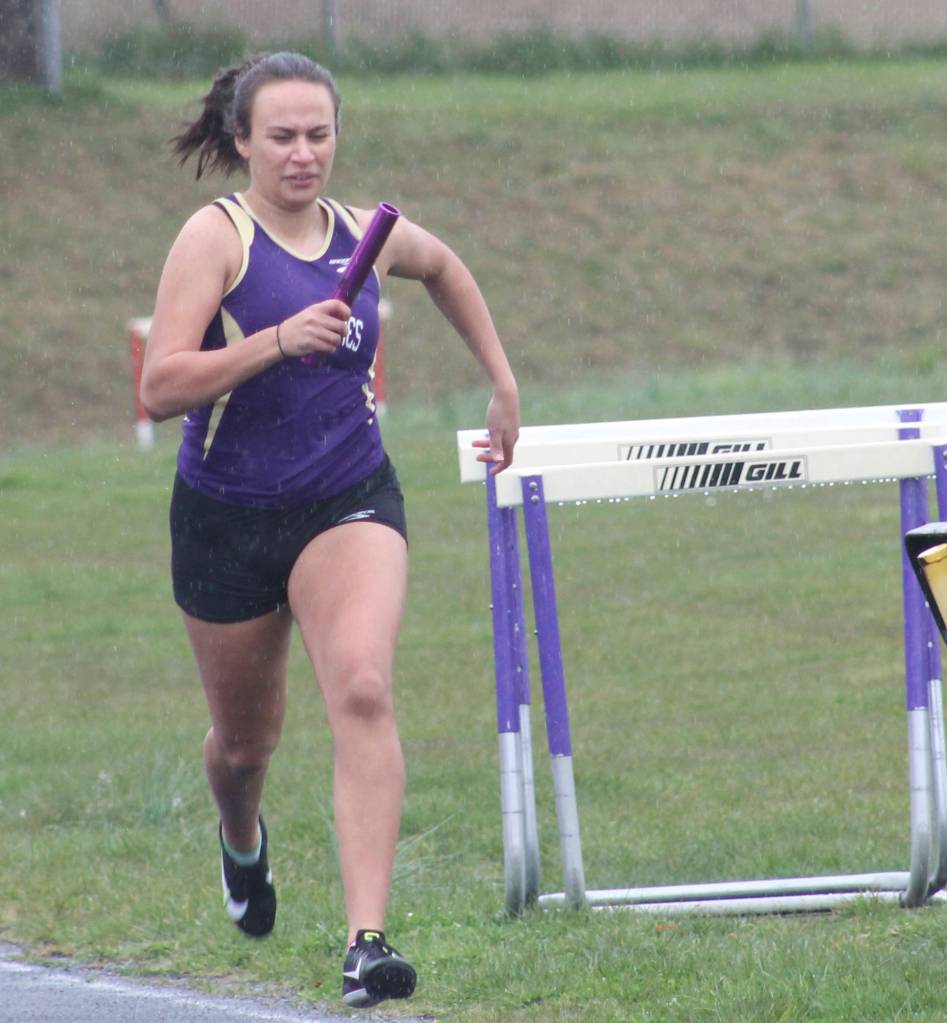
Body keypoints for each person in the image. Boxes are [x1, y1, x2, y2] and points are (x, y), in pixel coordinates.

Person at [139, 51, 519, 1010]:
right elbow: (159, 384)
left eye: (318, 134)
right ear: (242, 142)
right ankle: (241, 841)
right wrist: (272, 340)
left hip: (346, 496)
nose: (303, 154)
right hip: (225, 517)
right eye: (281, 137)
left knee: (360, 683)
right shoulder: (215, 237)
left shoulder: (367, 234)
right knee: (243, 743)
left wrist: (501, 378)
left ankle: (366, 942)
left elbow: (445, 267)